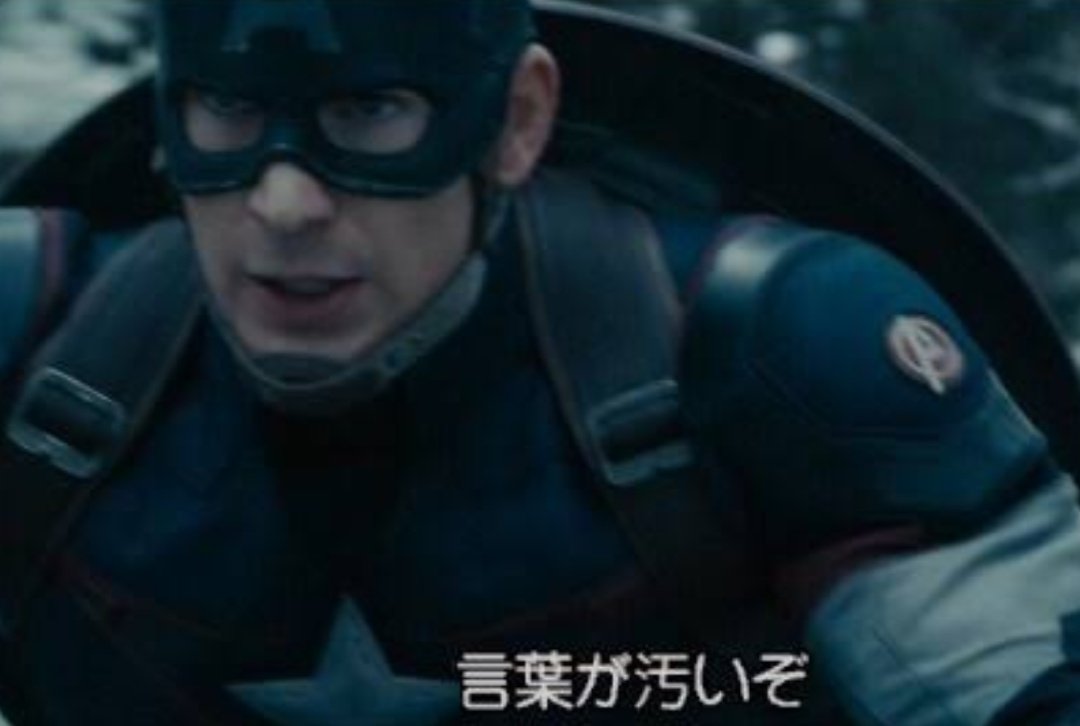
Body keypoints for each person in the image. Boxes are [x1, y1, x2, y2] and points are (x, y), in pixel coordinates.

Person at [0, 0, 1079, 724]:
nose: (284, 206)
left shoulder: (780, 346)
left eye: (369, 111)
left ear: (516, 120)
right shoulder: (31, 335)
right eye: (230, 107)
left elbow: (1009, 686)